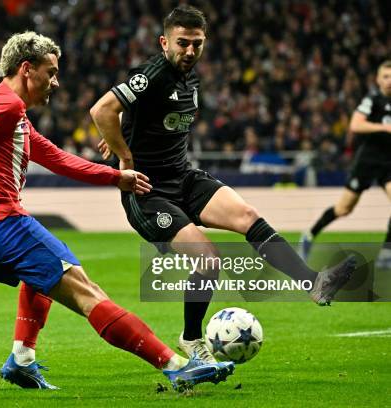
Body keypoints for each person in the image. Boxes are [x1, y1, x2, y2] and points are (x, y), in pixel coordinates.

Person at [0, 31, 234, 391]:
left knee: (38, 277)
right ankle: (176, 365)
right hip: (1, 225)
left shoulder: (15, 119)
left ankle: (22, 358)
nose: (55, 82)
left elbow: (59, 159)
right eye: (50, 72)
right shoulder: (5, 104)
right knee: (88, 292)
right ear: (27, 69)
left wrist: (117, 177)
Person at [89, 6, 356, 365]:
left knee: (247, 215)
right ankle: (192, 340)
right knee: (209, 260)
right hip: (147, 190)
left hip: (183, 176)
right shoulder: (152, 73)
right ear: (164, 42)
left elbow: (127, 113)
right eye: (182, 43)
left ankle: (313, 283)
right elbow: (101, 110)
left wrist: (121, 129)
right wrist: (125, 157)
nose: (189, 51)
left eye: (196, 44)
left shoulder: (190, 78)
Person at [299, 60, 391, 268]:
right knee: (344, 209)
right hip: (368, 161)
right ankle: (309, 235)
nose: (389, 81)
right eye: (385, 76)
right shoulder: (372, 99)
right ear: (377, 80)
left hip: (389, 163)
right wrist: (384, 129)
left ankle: (386, 252)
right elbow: (355, 124)